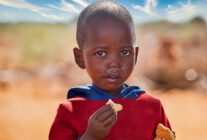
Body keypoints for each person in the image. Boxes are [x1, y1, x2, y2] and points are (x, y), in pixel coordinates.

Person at [49, 1, 172, 140]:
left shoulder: (152, 107)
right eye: (100, 53)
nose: (114, 63)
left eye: (124, 52)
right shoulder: (71, 111)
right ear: (80, 58)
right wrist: (90, 136)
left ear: (135, 55)